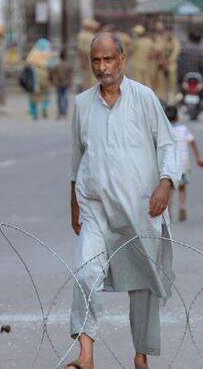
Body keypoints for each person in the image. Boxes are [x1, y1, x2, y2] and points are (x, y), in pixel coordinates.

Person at [67, 32, 180, 369]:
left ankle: (141, 356)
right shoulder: (82, 104)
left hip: (141, 208)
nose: (102, 67)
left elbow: (168, 145)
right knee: (86, 273)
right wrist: (73, 207)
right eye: (96, 61)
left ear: (122, 59)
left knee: (144, 284)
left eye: (108, 60)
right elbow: (77, 159)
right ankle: (86, 355)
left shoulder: (144, 98)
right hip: (96, 207)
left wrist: (166, 183)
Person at [166, 104, 202, 222]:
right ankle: (182, 207)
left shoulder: (164, 130)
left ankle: (169, 212)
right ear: (177, 117)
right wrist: (198, 158)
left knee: (170, 191)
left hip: (169, 166)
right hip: (183, 164)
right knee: (182, 187)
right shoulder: (183, 129)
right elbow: (193, 143)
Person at [175, 29, 203, 102]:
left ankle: (178, 95)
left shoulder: (183, 49)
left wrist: (180, 75)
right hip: (198, 75)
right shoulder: (201, 50)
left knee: (178, 83)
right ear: (199, 39)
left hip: (185, 75)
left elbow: (179, 63)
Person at [26, 38, 55, 120]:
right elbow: (53, 64)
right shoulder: (49, 52)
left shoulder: (34, 52)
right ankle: (45, 106)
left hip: (35, 75)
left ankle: (34, 113)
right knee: (46, 93)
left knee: (34, 95)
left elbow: (28, 62)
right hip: (46, 75)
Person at [154, 22, 181, 104]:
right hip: (162, 65)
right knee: (161, 84)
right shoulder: (161, 40)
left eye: (170, 31)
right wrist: (162, 61)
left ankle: (172, 101)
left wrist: (169, 61)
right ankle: (163, 100)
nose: (168, 33)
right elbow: (158, 50)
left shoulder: (175, 41)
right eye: (167, 31)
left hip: (171, 65)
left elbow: (176, 52)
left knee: (172, 84)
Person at [77, 19, 100, 91]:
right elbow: (82, 50)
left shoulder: (91, 35)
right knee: (87, 79)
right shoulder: (84, 35)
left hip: (92, 60)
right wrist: (84, 62)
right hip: (88, 60)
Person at [130, 24, 155, 91]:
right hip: (147, 65)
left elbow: (131, 50)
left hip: (137, 66)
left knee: (137, 84)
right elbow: (153, 53)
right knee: (147, 83)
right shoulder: (150, 41)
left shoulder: (136, 42)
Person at [52, 50, 75, 120]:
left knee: (59, 98)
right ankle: (64, 113)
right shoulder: (68, 65)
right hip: (66, 83)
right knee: (65, 98)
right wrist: (70, 82)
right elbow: (70, 75)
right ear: (65, 57)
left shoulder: (57, 65)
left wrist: (55, 82)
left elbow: (54, 76)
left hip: (59, 84)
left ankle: (59, 113)